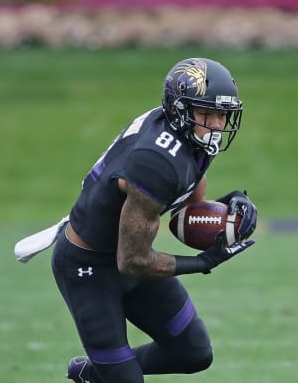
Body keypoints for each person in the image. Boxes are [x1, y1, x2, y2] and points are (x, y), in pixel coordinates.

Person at [45, 58, 257, 382]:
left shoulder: (191, 134)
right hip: (89, 270)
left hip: (130, 257)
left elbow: (188, 196)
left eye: (222, 114)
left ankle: (91, 375)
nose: (216, 124)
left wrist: (228, 209)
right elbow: (132, 261)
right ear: (179, 110)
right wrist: (202, 262)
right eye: (206, 113)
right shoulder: (155, 162)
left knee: (194, 352)